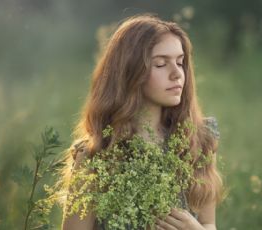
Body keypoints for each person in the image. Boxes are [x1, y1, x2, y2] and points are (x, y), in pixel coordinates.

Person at [58, 13, 226, 230]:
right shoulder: (96, 154)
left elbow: (209, 223)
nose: (177, 74)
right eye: (160, 64)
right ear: (130, 72)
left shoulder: (199, 140)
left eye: (180, 62)